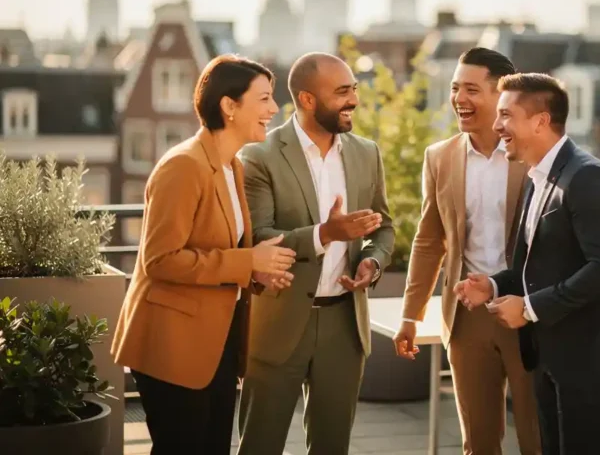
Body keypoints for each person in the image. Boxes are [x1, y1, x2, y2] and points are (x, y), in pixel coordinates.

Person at [454, 72, 600, 454]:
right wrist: (493, 285)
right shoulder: (535, 177)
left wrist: (527, 309)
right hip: (549, 352)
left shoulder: (589, 178)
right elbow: (538, 266)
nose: (496, 126)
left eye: (506, 115)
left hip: (592, 356)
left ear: (541, 121)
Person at [111, 55, 297, 455]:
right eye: (263, 99)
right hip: (172, 344)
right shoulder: (183, 167)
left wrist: (256, 272)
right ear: (229, 106)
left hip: (217, 343)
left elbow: (220, 251)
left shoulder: (232, 166)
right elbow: (159, 260)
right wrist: (247, 262)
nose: (273, 109)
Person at [237, 52, 395, 455]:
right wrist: (325, 233)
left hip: (345, 324)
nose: (353, 100)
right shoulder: (258, 156)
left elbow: (384, 228)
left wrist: (372, 261)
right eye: (342, 92)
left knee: (332, 447)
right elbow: (259, 240)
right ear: (307, 100)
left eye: (353, 89)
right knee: (260, 444)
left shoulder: (366, 153)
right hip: (278, 323)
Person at [393, 47, 540, 455]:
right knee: (477, 442)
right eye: (456, 88)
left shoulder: (533, 155)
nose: (459, 98)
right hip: (467, 315)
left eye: (472, 89)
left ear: (501, 96)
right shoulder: (439, 157)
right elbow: (428, 240)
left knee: (537, 436)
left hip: (526, 311)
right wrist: (411, 314)